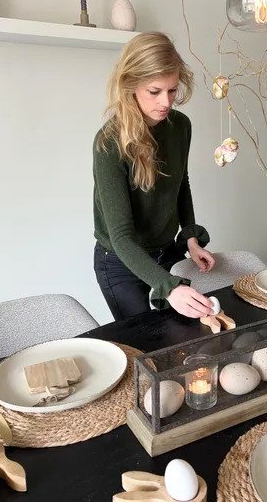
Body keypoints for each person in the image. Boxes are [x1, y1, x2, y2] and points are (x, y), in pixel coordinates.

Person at [93, 32, 216, 320]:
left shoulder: (180, 126)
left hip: (166, 250)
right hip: (121, 261)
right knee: (143, 341)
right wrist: (169, 287)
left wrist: (190, 237)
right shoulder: (109, 142)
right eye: (154, 91)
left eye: (172, 90)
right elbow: (121, 237)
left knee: (185, 328)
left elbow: (180, 184)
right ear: (131, 84)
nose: (166, 102)